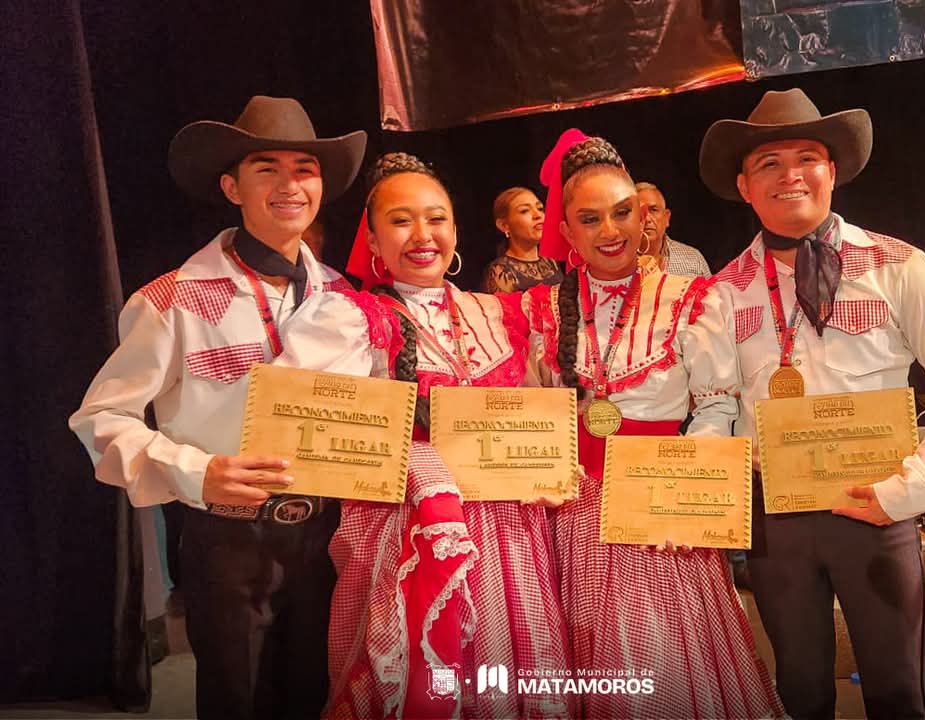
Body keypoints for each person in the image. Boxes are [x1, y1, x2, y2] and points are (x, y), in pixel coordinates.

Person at [68, 96, 378, 719]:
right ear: (232, 186)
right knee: (235, 702)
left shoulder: (348, 300)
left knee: (316, 698)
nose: (290, 185)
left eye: (306, 169)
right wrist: (197, 471)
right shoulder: (173, 299)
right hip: (230, 542)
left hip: (330, 536)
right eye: (267, 168)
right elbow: (101, 420)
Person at [699, 88, 925, 719]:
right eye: (768, 164)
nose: (790, 175)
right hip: (777, 521)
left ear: (832, 171)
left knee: (896, 693)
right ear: (744, 186)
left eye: (806, 157)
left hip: (879, 510)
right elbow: (716, 408)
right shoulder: (723, 291)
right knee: (800, 690)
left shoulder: (898, 265)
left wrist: (913, 488)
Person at [298, 153, 572, 718]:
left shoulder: (497, 312)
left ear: (455, 229)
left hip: (507, 532)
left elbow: (536, 406)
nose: (422, 235)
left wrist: (549, 464)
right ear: (372, 240)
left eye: (436, 218)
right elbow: (320, 429)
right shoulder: (353, 317)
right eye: (401, 221)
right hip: (412, 533)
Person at [522, 130, 785, 719]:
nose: (610, 231)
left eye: (622, 213)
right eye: (589, 220)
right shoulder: (537, 308)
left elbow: (717, 406)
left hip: (660, 511)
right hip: (569, 522)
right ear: (566, 233)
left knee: (659, 665)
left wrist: (687, 490)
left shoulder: (692, 297)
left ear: (646, 215)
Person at [482, 186, 563, 293]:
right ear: (504, 225)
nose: (538, 215)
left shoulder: (551, 262)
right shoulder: (500, 271)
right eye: (524, 211)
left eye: (540, 208)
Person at [635, 181, 711, 277]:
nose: (647, 219)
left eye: (653, 210)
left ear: (666, 218)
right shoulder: (618, 262)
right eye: (640, 211)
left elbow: (712, 291)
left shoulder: (693, 260)